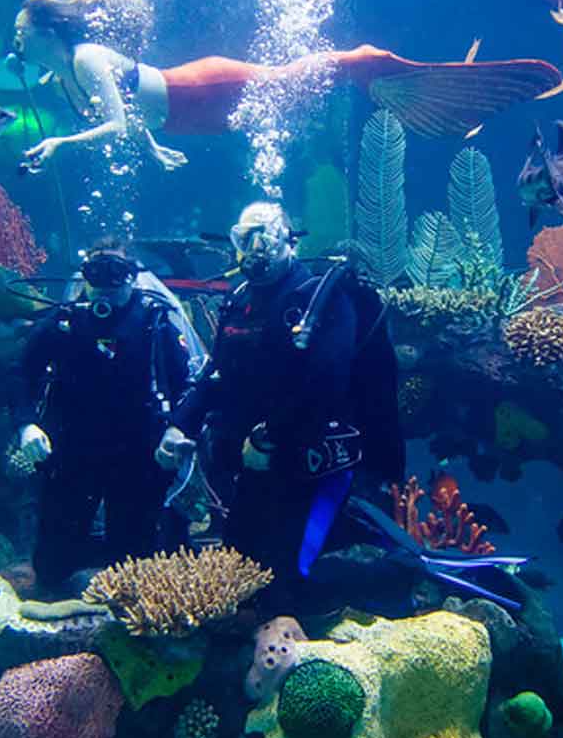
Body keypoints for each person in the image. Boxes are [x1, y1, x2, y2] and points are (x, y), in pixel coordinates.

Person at [12, 0, 563, 173]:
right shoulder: (60, 76)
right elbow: (132, 118)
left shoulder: (85, 57)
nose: (16, 41)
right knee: (291, 101)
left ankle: (368, 62)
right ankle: (361, 74)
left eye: (21, 30)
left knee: (295, 77)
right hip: (193, 120)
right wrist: (153, 147)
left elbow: (115, 118)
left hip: (205, 90)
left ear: (45, 28)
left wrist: (63, 143)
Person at [155, 201, 404, 588]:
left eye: (266, 236)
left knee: (295, 576)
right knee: (238, 568)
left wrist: (269, 438)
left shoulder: (320, 298)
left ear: (291, 242)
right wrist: (179, 426)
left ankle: (383, 556)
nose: (255, 248)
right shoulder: (238, 301)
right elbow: (216, 372)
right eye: (245, 237)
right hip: (256, 461)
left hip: (314, 460)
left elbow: (327, 383)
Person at [14, 239, 191, 595]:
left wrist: (177, 430)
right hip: (71, 451)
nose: (106, 286)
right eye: (96, 273)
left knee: (133, 561)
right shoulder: (63, 322)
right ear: (85, 277)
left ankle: (126, 631)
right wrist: (25, 424)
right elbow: (21, 375)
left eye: (117, 274)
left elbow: (186, 385)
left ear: (132, 277)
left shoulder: (155, 324)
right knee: (52, 562)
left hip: (139, 455)